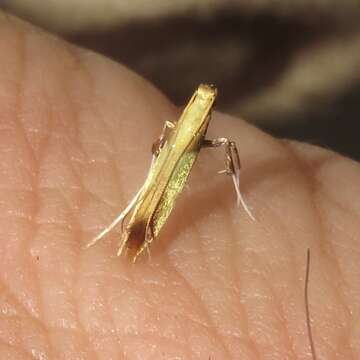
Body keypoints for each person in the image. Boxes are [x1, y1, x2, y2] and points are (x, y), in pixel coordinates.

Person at [0, 11, 358, 359]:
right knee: (178, 171)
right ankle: (139, 227)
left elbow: (172, 138)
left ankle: (139, 226)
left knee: (170, 171)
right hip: (172, 158)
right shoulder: (197, 116)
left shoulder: (189, 115)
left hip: (172, 151)